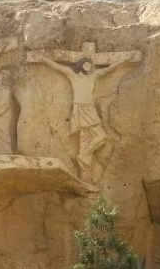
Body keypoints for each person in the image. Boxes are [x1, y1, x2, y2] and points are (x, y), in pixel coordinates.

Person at [31, 52, 131, 180]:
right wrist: (43, 58)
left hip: (90, 109)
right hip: (80, 109)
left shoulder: (94, 76)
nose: (89, 67)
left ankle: (85, 153)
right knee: (99, 136)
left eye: (90, 65)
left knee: (102, 137)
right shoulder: (73, 76)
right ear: (81, 65)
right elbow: (57, 67)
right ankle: (84, 159)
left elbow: (108, 69)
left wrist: (123, 60)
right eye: (86, 65)